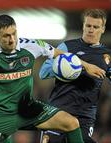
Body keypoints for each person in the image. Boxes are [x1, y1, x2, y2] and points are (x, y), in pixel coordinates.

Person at [0, 14, 106, 143]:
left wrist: (86, 66)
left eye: (14, 33)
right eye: (6, 36)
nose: (12, 39)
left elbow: (61, 54)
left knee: (71, 123)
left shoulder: (31, 45)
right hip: (1, 113)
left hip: (28, 109)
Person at [39, 9, 111, 143]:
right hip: (58, 111)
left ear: (102, 29)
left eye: (95, 27)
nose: (91, 30)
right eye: (88, 26)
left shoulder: (107, 55)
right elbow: (43, 72)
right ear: (83, 26)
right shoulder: (67, 47)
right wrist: (70, 67)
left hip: (84, 117)